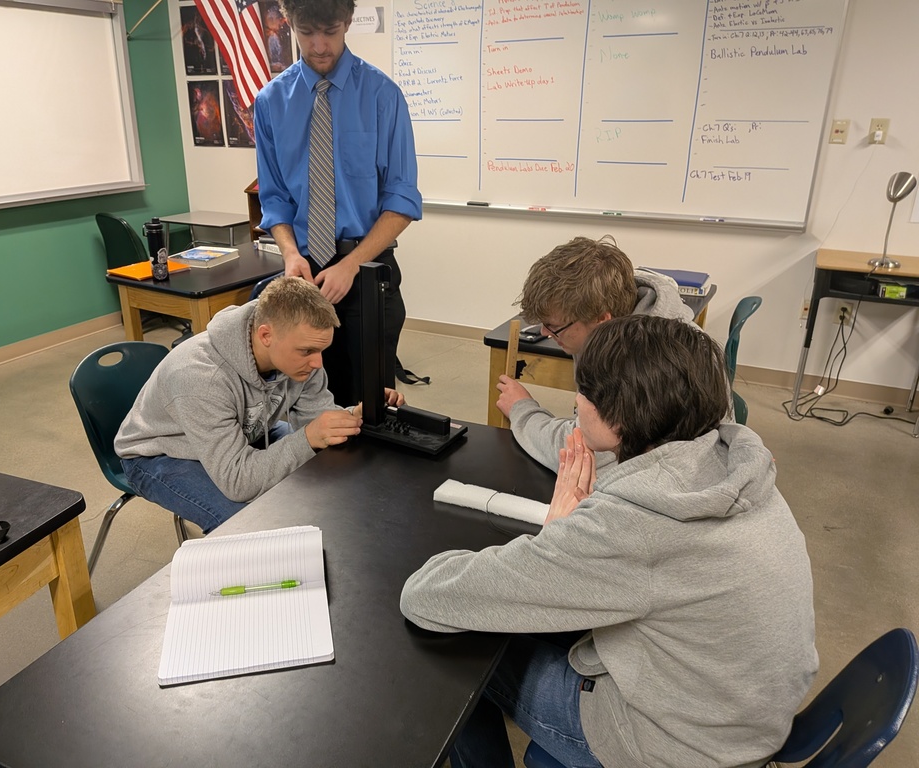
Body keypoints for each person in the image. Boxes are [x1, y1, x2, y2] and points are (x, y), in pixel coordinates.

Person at [401, 315, 817, 768]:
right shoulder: (733, 462)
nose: (575, 404)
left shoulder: (634, 525)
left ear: (617, 415)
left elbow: (427, 595)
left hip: (680, 749)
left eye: (583, 393)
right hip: (747, 714)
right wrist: (576, 540)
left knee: (453, 644)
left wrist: (560, 535)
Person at [115, 277, 403, 533]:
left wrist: (355, 415)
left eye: (321, 350)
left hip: (244, 430)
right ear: (266, 335)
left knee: (327, 467)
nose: (317, 363)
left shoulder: (301, 357)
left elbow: (318, 421)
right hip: (160, 453)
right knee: (247, 524)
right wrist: (308, 438)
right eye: (307, 351)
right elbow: (238, 482)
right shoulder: (199, 378)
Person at [254, 0, 423, 406]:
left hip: (367, 270)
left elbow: (402, 200)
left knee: (369, 404)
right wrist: (290, 253)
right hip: (304, 273)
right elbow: (275, 197)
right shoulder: (271, 101)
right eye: (306, 32)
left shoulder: (383, 95)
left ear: (348, 21)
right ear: (289, 23)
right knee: (307, 401)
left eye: (329, 31)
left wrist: (351, 265)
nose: (318, 45)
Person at [496, 235, 699, 470]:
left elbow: (580, 453)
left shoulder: (646, 368)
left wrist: (522, 408)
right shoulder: (608, 325)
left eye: (554, 327)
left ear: (602, 319)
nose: (544, 332)